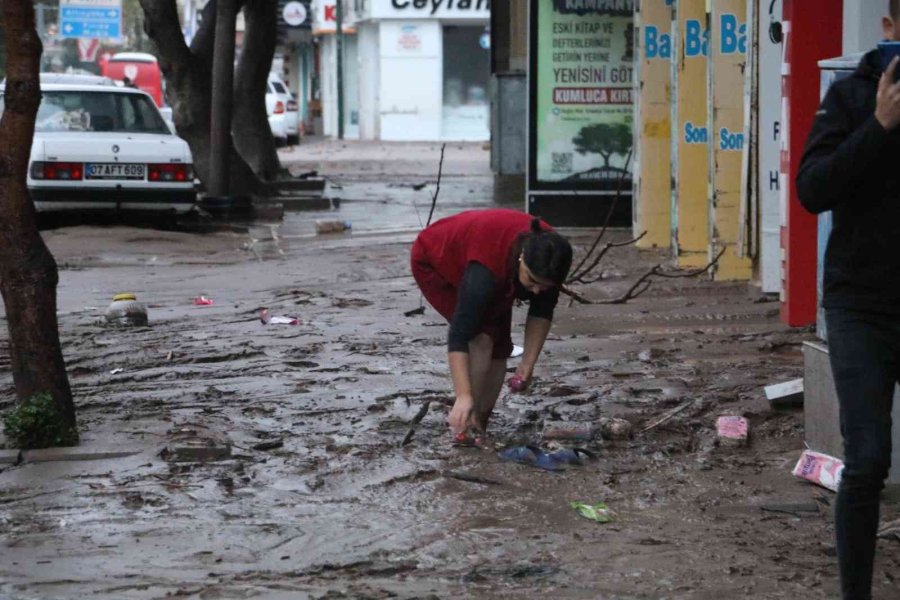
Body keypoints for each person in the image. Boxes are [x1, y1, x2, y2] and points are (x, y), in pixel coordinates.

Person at [796, 3, 900, 598]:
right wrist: (878, 127)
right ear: (888, 31)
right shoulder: (852, 97)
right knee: (868, 459)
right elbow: (813, 189)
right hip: (860, 301)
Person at [410, 208, 573, 440]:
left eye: (544, 286)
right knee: (482, 336)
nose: (537, 291)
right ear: (521, 259)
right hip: (436, 260)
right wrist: (463, 395)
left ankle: (480, 424)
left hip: (494, 259)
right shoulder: (484, 275)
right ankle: (466, 423)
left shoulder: (552, 257)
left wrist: (527, 366)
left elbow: (542, 311)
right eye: (533, 282)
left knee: (499, 347)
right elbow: (459, 334)